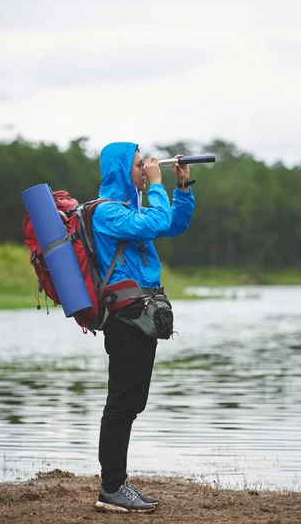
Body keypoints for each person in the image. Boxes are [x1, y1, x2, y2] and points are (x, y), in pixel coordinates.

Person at [91, 141, 195, 513]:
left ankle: (117, 482)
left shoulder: (131, 210)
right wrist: (156, 184)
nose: (146, 168)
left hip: (143, 316)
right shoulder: (107, 214)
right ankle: (111, 489)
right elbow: (157, 220)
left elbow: (173, 224)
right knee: (120, 404)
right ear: (122, 170)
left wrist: (181, 188)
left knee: (133, 402)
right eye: (139, 165)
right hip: (124, 320)